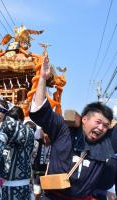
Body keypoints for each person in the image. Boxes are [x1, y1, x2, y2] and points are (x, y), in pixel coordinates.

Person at [29, 55, 114, 199]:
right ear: (85, 119)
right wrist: (42, 78)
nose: (101, 128)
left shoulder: (105, 143)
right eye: (98, 122)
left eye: (105, 125)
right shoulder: (63, 130)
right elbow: (40, 112)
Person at [0, 106, 34, 200]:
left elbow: (9, 126)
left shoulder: (27, 132)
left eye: (14, 119)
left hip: (18, 184)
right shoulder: (4, 133)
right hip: (4, 184)